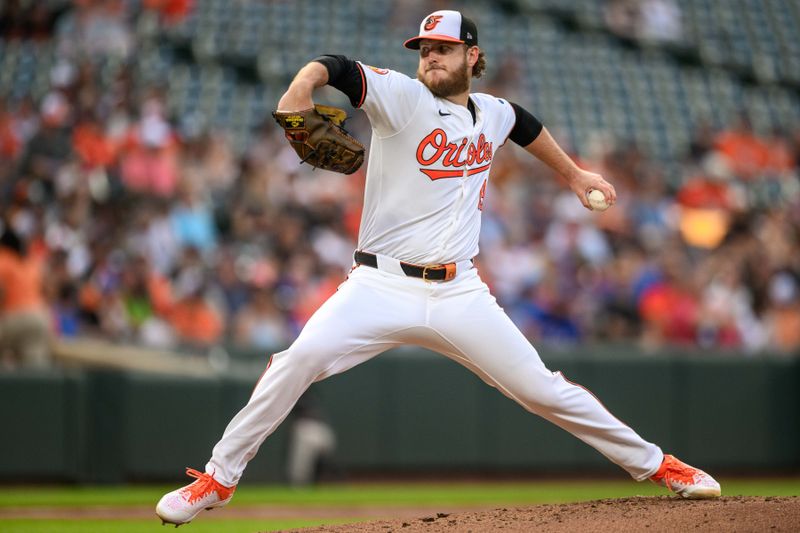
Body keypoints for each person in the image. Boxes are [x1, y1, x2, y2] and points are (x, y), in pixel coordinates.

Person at [156, 10, 721, 526]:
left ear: (472, 56)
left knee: (543, 390)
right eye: (424, 48)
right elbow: (338, 68)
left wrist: (574, 175)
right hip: (378, 283)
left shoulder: (492, 112)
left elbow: (523, 123)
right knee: (297, 359)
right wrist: (302, 86)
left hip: (460, 292)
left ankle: (658, 466)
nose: (430, 56)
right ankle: (217, 479)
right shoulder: (401, 97)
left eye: (444, 48)